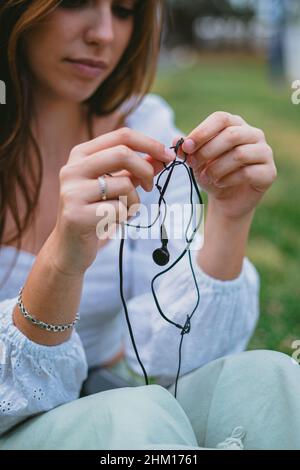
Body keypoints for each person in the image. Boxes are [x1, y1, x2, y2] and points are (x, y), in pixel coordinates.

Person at [2, 0, 295, 451]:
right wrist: (61, 263)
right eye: (76, 2)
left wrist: (230, 219)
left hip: (112, 405)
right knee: (134, 418)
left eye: (123, 10)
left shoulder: (145, 126)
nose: (104, 33)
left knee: (268, 380)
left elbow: (183, 361)